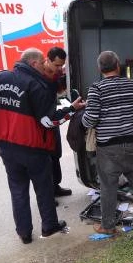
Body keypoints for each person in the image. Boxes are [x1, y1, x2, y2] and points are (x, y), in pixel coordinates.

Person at [0, 48, 86, 244]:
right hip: (32, 148)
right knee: (43, 187)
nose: (45, 66)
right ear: (35, 63)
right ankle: (49, 226)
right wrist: (71, 110)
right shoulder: (37, 85)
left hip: (5, 146)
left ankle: (24, 233)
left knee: (17, 189)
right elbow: (49, 122)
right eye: (43, 63)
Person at [82, 50, 133, 235]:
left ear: (99, 68)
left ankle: (108, 226)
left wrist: (85, 113)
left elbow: (90, 120)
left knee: (108, 187)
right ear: (118, 66)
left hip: (108, 148)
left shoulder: (96, 89)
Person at [43, 47, 73, 198]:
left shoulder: (57, 73)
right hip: (42, 121)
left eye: (61, 65)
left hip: (53, 115)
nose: (59, 68)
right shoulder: (39, 76)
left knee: (56, 154)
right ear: (47, 60)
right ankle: (47, 194)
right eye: (56, 65)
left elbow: (61, 92)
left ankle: (55, 186)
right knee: (45, 159)